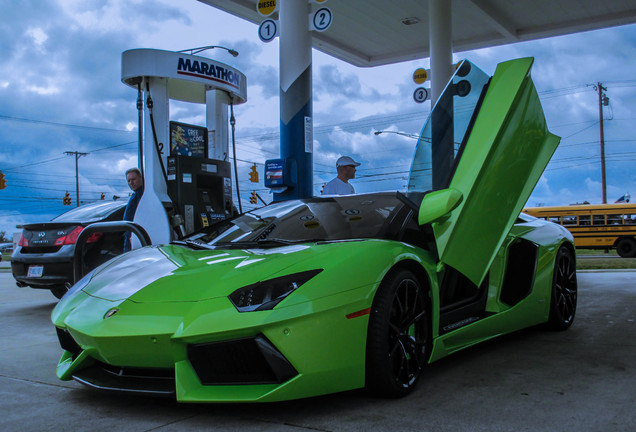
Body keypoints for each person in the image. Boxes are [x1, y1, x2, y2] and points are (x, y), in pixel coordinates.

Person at [123, 167, 144, 252]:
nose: (131, 183)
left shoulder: (142, 195)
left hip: (135, 232)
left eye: (133, 179)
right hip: (130, 231)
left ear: (141, 178)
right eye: (128, 181)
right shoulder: (136, 194)